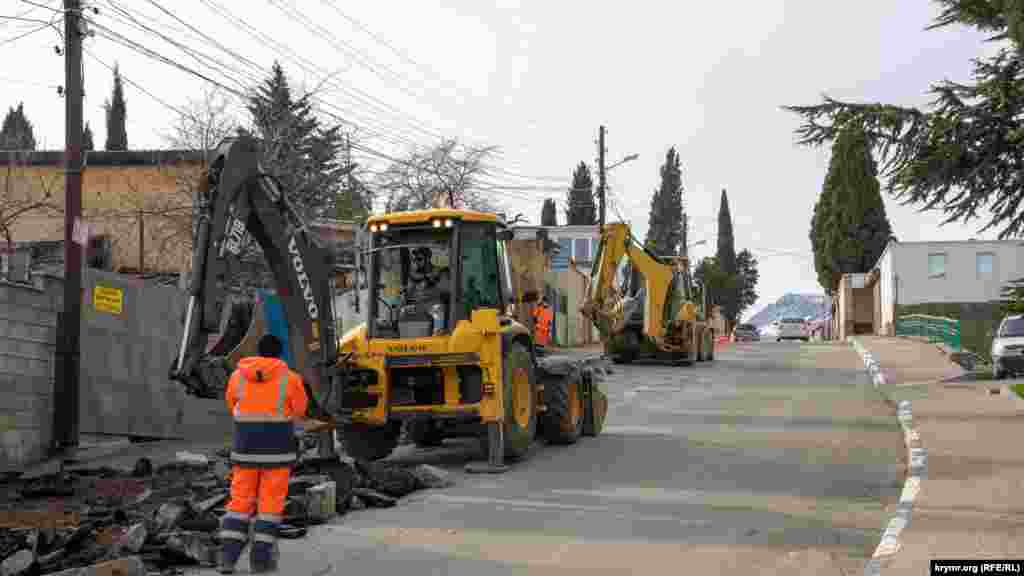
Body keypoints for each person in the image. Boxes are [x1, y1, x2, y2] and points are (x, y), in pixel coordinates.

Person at [218, 334, 308, 574]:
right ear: (279, 354)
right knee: (270, 506)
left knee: (239, 503)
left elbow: (231, 405)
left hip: (245, 450)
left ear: (257, 351)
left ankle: (227, 558)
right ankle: (260, 561)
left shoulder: (237, 377)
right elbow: (300, 411)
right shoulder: (290, 379)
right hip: (277, 454)